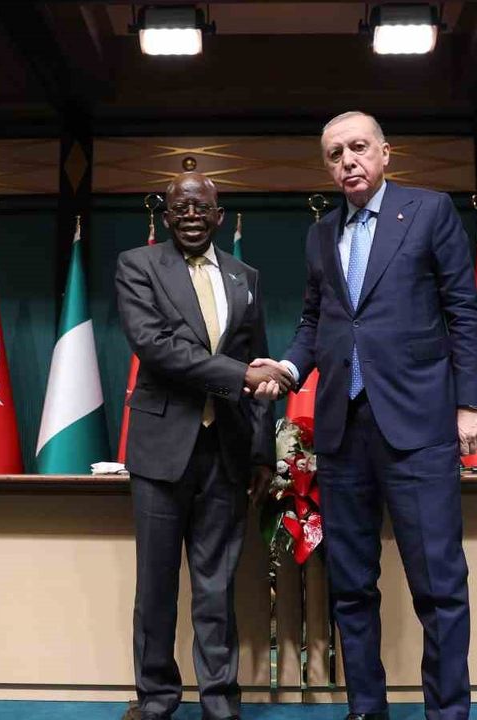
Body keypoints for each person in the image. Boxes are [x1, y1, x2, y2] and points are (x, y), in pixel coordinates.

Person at [255, 111, 477, 720]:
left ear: (386, 152)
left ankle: (447, 713)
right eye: (335, 154)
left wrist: (470, 405)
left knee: (438, 585)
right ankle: (366, 708)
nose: (347, 161)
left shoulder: (430, 211)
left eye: (358, 147)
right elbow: (315, 321)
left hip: (419, 428)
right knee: (352, 585)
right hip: (341, 432)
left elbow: (464, 311)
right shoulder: (320, 233)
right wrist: (287, 369)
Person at [115, 171, 292, 720]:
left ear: (219, 215)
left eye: (200, 207)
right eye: (179, 208)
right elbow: (156, 346)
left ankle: (220, 703)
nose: (190, 216)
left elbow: (259, 362)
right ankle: (156, 699)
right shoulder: (138, 265)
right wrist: (241, 375)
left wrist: (262, 453)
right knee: (156, 586)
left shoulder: (245, 276)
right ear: (165, 215)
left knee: (217, 588)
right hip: (162, 451)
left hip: (228, 455)